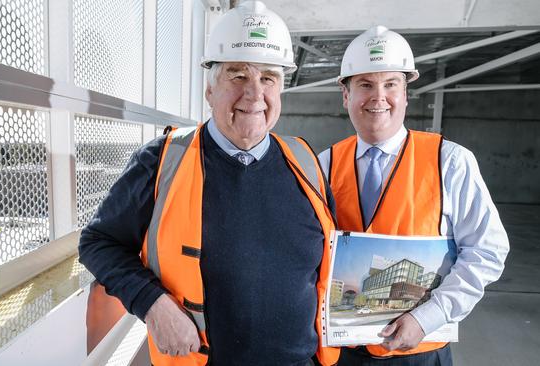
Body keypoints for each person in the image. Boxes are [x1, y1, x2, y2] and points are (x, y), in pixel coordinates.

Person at [79, 2, 340, 365]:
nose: (254, 94)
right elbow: (97, 242)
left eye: (268, 78)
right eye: (237, 76)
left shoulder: (306, 162)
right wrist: (152, 305)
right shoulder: (163, 161)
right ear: (210, 90)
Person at [318, 25, 509, 365]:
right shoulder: (324, 164)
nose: (379, 97)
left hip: (420, 352)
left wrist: (428, 317)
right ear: (345, 95)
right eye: (365, 84)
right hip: (340, 353)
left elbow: (487, 251)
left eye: (391, 84)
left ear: (406, 93)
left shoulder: (449, 162)